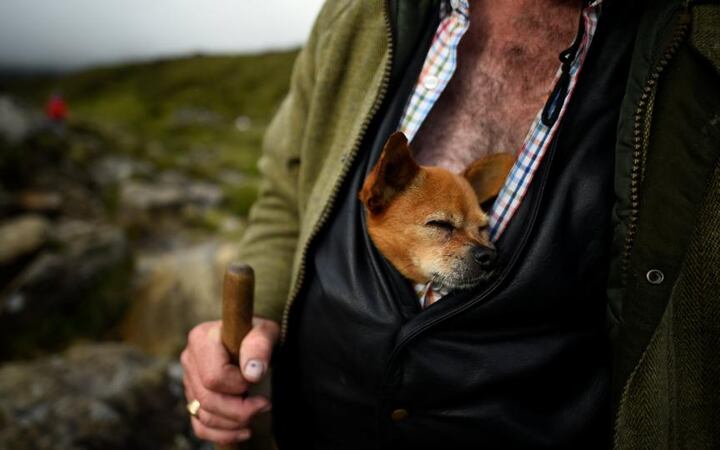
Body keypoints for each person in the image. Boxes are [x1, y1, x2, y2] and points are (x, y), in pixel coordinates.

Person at [181, 0, 720, 448]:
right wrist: (253, 322)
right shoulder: (363, 13)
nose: (478, 245)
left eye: (480, 232)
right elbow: (287, 189)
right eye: (444, 226)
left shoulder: (699, 51)